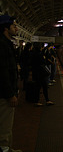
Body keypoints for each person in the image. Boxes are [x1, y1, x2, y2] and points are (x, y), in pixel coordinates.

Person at [0, 15, 22, 152]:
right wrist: (10, 94)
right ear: (5, 28)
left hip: (6, 93)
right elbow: (2, 72)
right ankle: (4, 149)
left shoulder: (6, 44)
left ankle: (8, 148)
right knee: (4, 127)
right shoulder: (2, 45)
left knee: (7, 125)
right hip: (4, 96)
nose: (17, 28)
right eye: (14, 26)